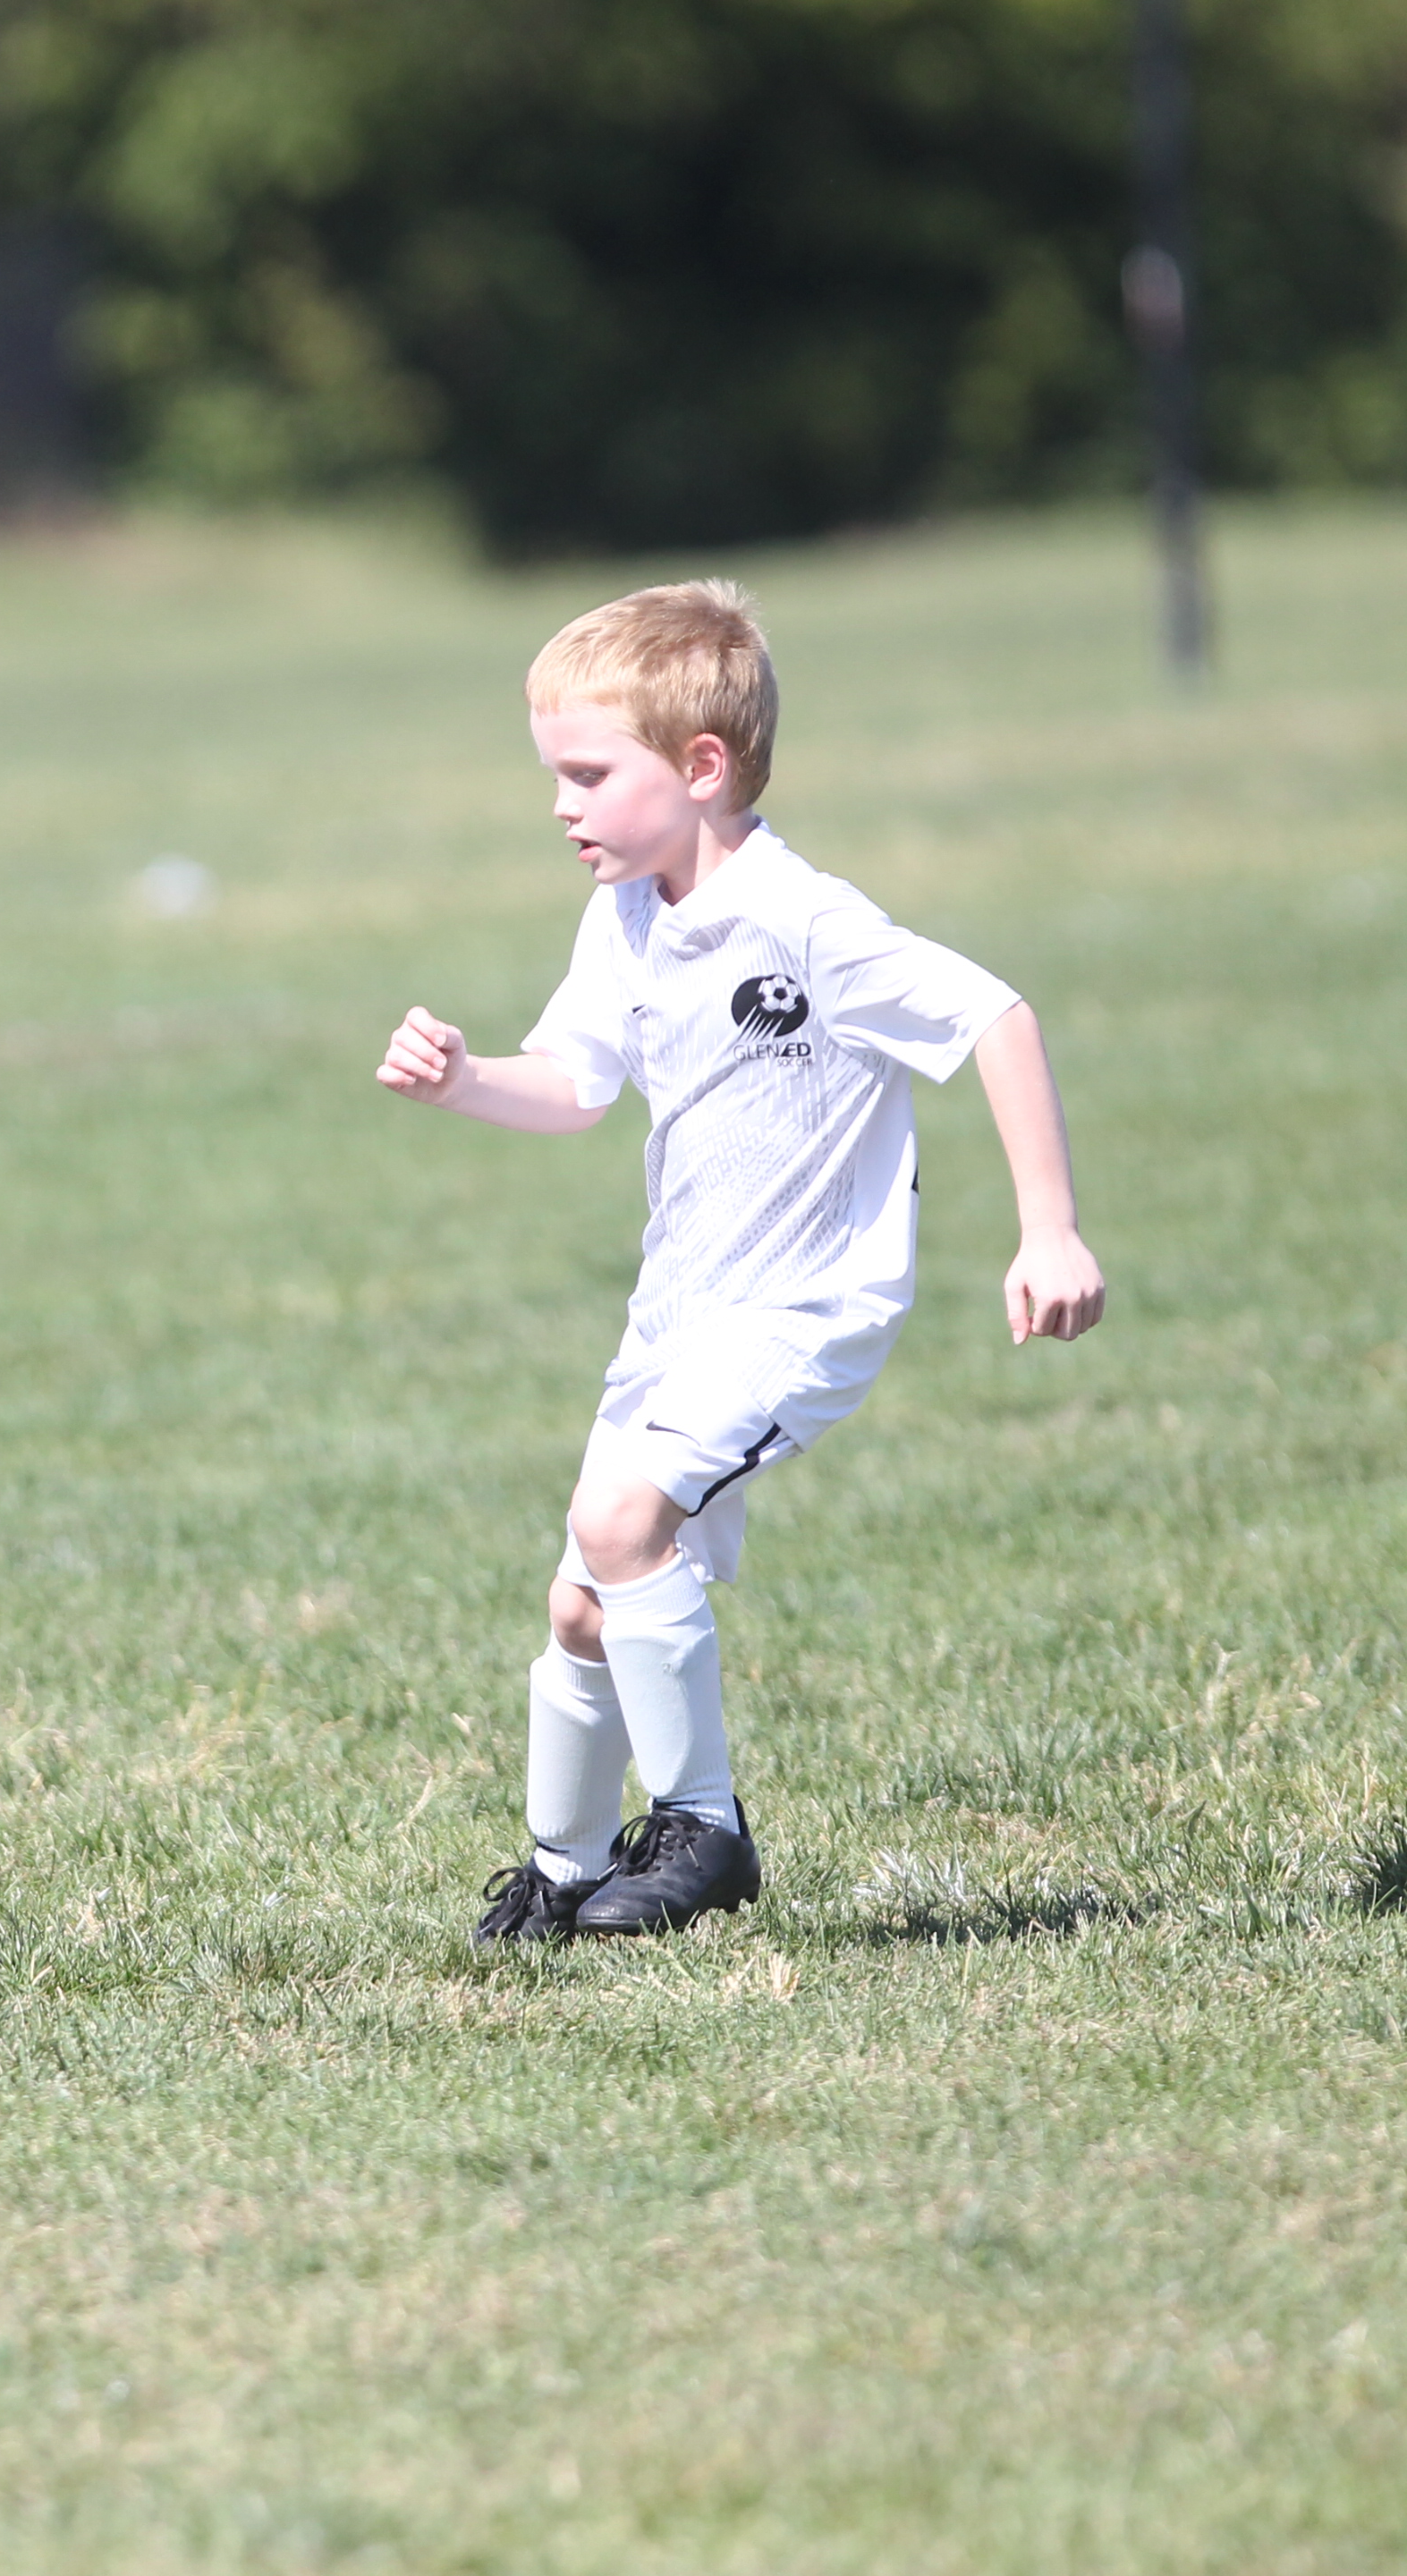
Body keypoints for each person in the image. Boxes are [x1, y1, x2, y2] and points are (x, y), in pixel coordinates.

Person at [377, 580, 1103, 1943]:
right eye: (555, 777)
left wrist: (1048, 1226)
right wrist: (465, 1079)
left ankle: (704, 1830)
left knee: (620, 1530)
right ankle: (562, 1872)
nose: (562, 807)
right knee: (584, 1608)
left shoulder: (803, 919)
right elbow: (578, 1084)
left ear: (702, 766)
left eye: (590, 774)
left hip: (803, 1306)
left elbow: (992, 1016)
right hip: (679, 1316)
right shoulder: (628, 912)